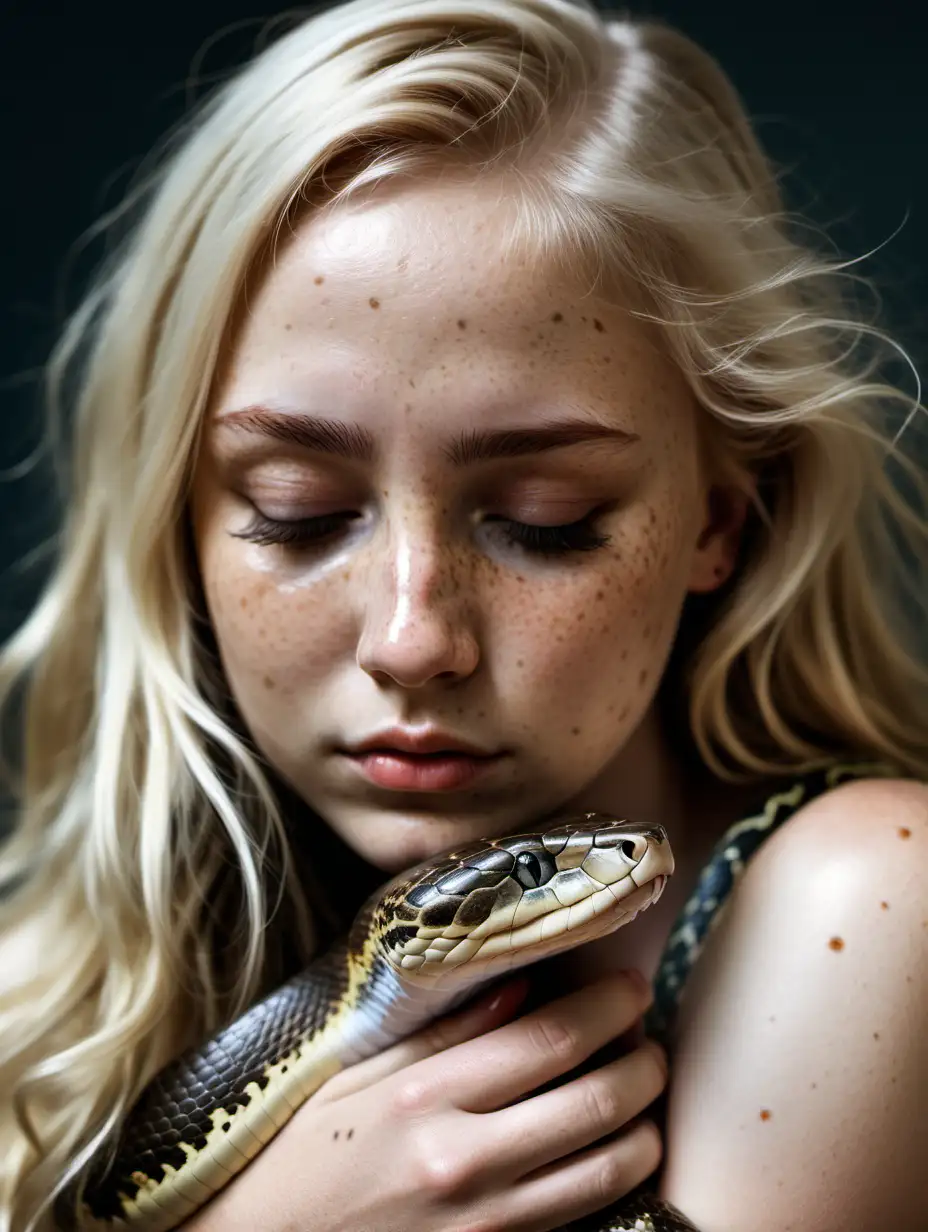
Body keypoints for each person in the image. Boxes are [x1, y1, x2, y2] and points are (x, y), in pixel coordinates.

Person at [1, 0, 927, 1229]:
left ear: (719, 520)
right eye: (296, 511)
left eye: (544, 518)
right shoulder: (43, 1001)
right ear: (181, 522)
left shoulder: (861, 899)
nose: (411, 638)